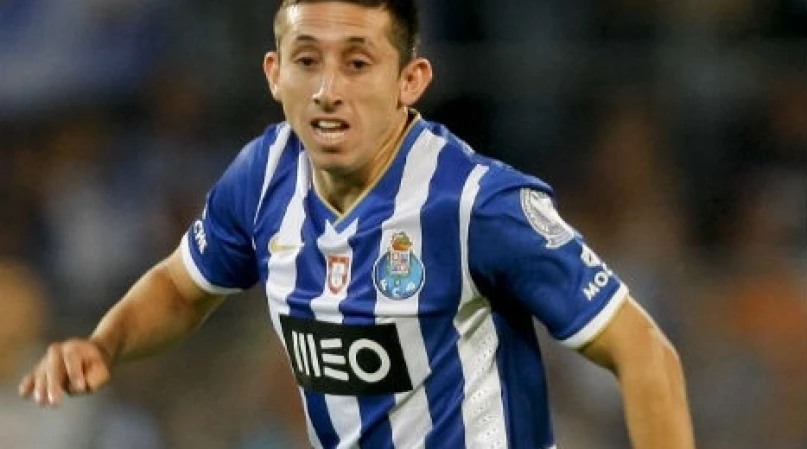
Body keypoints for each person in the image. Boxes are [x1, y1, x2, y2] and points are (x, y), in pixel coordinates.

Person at [19, 1, 696, 447]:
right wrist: (105, 344)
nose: (327, 90)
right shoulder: (262, 177)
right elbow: (180, 287)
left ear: (411, 80)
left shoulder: (474, 202)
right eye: (307, 60)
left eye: (358, 62)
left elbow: (644, 352)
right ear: (274, 74)